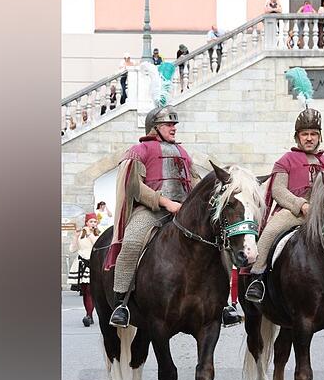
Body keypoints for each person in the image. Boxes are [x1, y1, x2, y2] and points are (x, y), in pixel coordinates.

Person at [103, 106, 244, 328]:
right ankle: (121, 302)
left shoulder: (183, 153)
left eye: (174, 124)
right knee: (132, 242)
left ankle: (223, 303)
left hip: (185, 211)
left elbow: (195, 183)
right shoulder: (139, 151)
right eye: (168, 124)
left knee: (218, 243)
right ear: (154, 128)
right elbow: (134, 187)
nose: (173, 128)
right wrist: (166, 203)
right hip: (150, 210)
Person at [245, 105, 324, 303]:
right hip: (293, 213)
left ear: (320, 136)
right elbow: (278, 191)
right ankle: (257, 278)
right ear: (297, 137)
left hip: (323, 215)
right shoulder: (285, 160)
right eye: (305, 134)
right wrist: (301, 205)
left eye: (313, 134)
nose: (309, 138)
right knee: (270, 232)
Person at [69, 213, 100, 327]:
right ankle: (88, 314)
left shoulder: (98, 233)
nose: (93, 223)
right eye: (91, 221)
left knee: (90, 291)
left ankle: (89, 315)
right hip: (81, 264)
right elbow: (72, 249)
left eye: (94, 221)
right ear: (86, 223)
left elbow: (96, 244)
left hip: (93, 264)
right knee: (85, 291)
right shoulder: (81, 234)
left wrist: (89, 233)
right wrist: (75, 237)